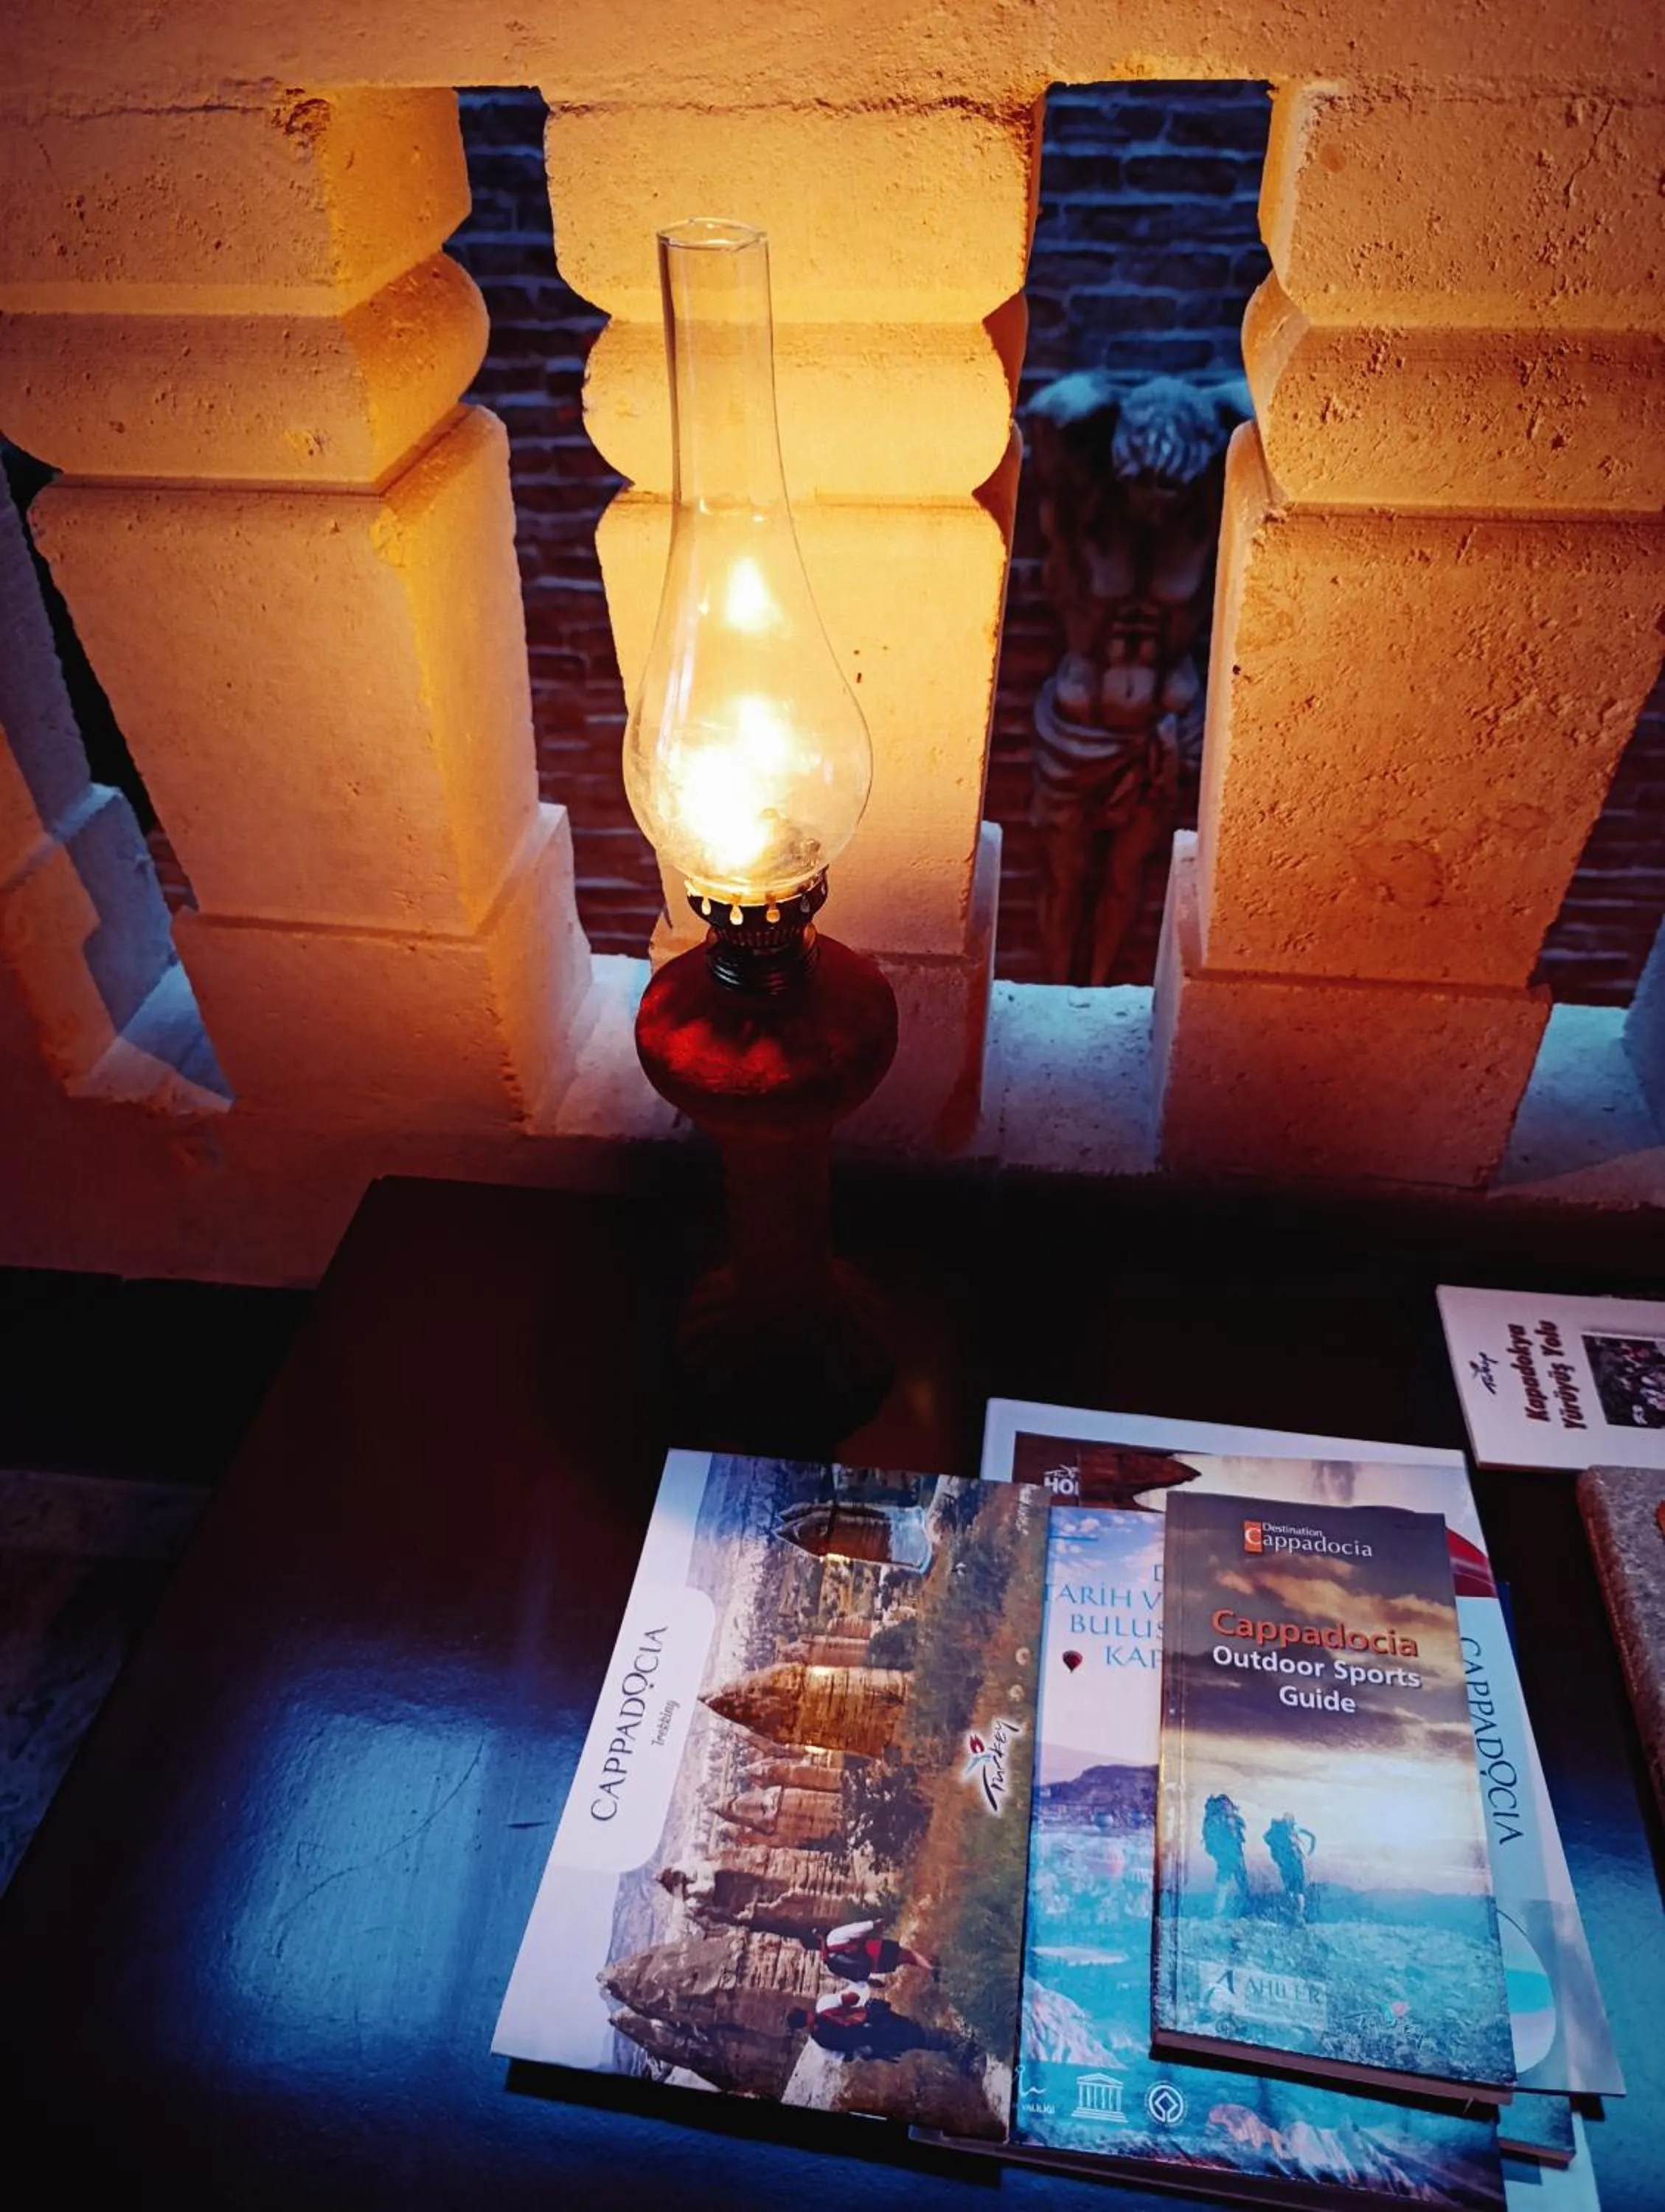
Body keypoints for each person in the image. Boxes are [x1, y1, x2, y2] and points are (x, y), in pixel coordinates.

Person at [819, 1918, 934, 1980]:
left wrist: (870, 1981)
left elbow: (850, 1974)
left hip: (875, 1968)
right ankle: (934, 1970)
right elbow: (856, 1929)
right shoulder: (833, 1936)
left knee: (907, 1960)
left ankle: (933, 1966)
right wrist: (875, 1923)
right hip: (876, 1951)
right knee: (910, 1955)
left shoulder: (829, 1961)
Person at [1201, 1792, 1250, 1916]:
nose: (1228, 1807)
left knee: (1227, 1881)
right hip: (1230, 1854)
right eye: (1226, 1805)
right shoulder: (1221, 1819)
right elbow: (1230, 1837)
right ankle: (1219, 1911)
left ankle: (1220, 1910)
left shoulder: (1220, 1819)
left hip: (1230, 1854)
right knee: (1229, 1881)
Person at [1265, 1813, 1317, 1923]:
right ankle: (1297, 1913)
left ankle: (1297, 1913)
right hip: (1291, 1864)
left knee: (1294, 1889)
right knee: (1294, 1889)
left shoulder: (1286, 1832)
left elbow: (1313, 1837)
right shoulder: (1285, 1832)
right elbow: (1312, 1836)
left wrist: (1310, 1850)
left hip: (1291, 1863)